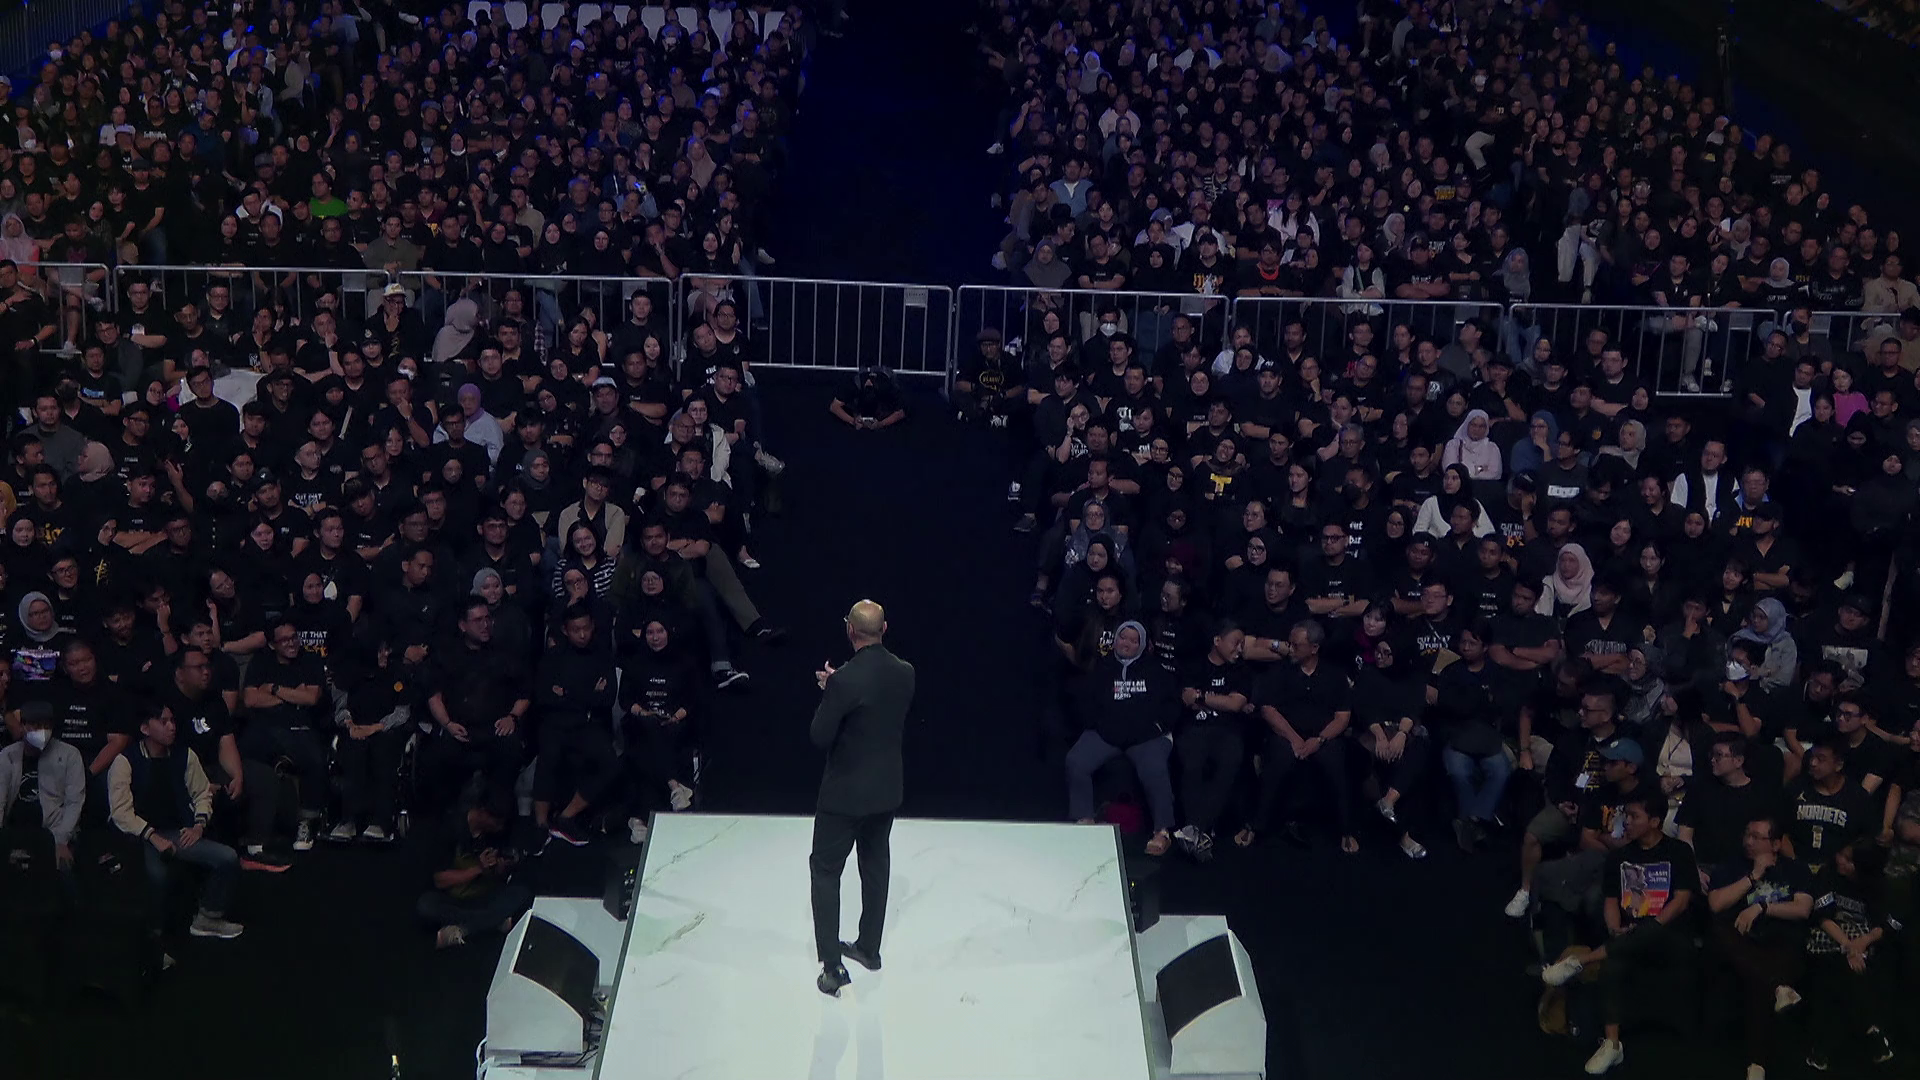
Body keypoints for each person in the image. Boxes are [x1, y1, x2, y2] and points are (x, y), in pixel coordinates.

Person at [1541, 790, 1698, 1076]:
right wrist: (1614, 928)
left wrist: (1654, 925)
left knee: (1645, 935)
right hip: (1628, 934)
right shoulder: (1620, 857)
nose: (1626, 821)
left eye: (1634, 816)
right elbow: (1612, 900)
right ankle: (1613, 1045)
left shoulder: (1678, 852)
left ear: (1654, 821)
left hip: (1669, 932)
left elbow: (1682, 900)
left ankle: (1582, 961)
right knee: (1612, 965)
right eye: (1626, 815)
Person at [810, 599, 915, 997]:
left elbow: (819, 736)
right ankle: (869, 949)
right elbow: (875, 708)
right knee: (875, 865)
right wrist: (840, 687)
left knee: (825, 870)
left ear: (850, 631)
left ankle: (832, 966)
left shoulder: (845, 681)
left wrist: (831, 692)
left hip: (844, 794)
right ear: (884, 629)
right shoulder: (906, 672)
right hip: (885, 791)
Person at [107, 704, 245, 941]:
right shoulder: (126, 761)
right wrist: (152, 836)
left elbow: (202, 793)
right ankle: (154, 936)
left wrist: (199, 825)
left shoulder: (185, 755)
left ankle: (208, 917)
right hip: (139, 835)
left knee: (228, 858)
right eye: (163, 722)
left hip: (176, 832)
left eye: (172, 720)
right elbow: (121, 812)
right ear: (145, 728)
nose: (171, 727)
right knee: (158, 876)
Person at [1704, 816, 1813, 1080]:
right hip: (1743, 943)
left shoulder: (1796, 869)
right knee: (1721, 932)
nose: (1748, 841)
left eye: (1756, 837)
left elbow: (1803, 909)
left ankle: (1756, 1065)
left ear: (1775, 844)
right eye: (1747, 835)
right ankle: (1779, 988)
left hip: (1780, 943)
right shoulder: (1732, 867)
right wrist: (1753, 876)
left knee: (1758, 979)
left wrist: (1762, 907)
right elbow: (1716, 904)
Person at [1067, 619, 1178, 854]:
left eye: (1133, 640)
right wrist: (1098, 725)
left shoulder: (1156, 670)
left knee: (1154, 769)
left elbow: (1172, 706)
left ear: (1142, 644)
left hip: (1146, 737)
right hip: (1108, 734)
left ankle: (1162, 831)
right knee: (1076, 761)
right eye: (1122, 637)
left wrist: (1157, 727)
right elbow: (1085, 702)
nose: (1126, 643)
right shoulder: (1102, 668)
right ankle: (1084, 819)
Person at [418, 799, 531, 949]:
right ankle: (494, 920)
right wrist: (478, 869)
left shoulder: (497, 834)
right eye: (496, 822)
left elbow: (498, 878)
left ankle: (464, 929)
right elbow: (440, 880)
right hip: (453, 899)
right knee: (426, 906)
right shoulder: (450, 829)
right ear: (482, 812)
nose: (499, 827)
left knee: (522, 893)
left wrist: (500, 868)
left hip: (483, 895)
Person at [0, 700, 85, 869]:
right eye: (36, 726)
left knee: (64, 868)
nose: (42, 731)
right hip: (14, 832)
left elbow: (74, 803)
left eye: (46, 726)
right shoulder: (7, 755)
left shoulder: (70, 755)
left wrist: (61, 841)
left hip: (53, 833)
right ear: (23, 726)